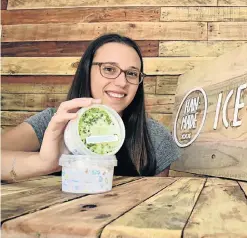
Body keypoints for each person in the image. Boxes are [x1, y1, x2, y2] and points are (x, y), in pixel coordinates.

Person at [1, 33, 181, 181]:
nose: (121, 82)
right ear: (87, 70)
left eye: (132, 73)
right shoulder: (55, 122)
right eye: (109, 69)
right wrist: (45, 163)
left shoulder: (156, 137)